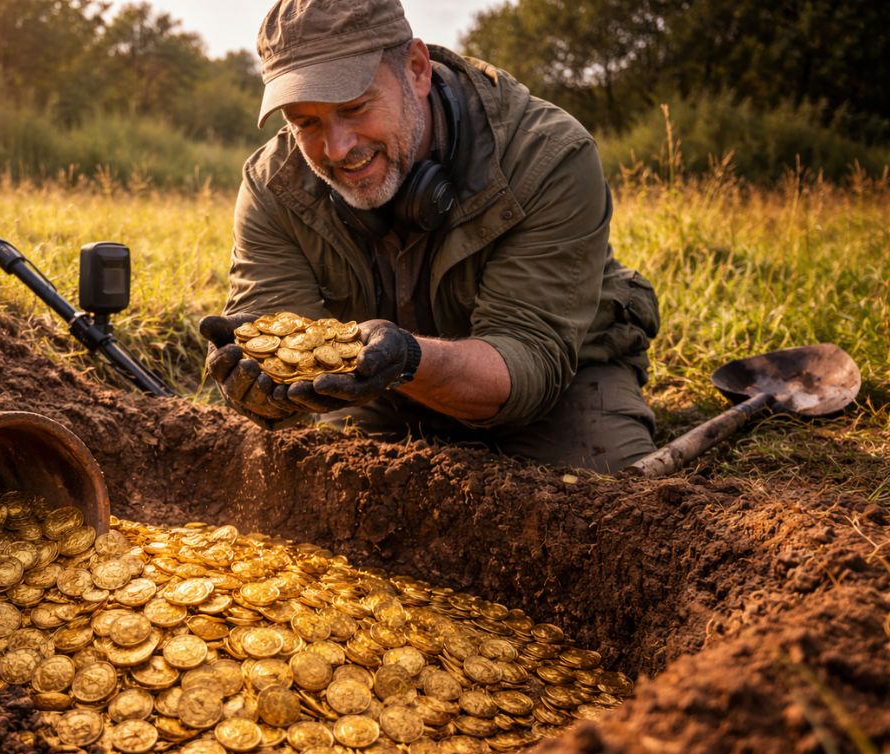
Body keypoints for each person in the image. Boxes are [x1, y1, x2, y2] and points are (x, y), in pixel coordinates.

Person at [199, 0, 661, 473]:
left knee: (605, 495)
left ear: (417, 70)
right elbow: (289, 351)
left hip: (560, 385)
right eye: (306, 122)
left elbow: (530, 362)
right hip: (376, 384)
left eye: (355, 107)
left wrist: (408, 358)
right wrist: (261, 390)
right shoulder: (273, 184)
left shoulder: (549, 156)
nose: (336, 148)